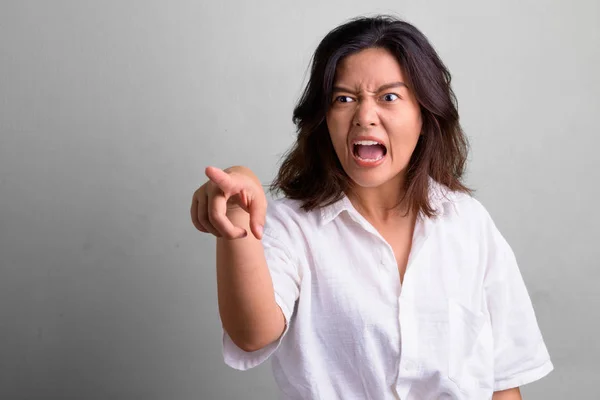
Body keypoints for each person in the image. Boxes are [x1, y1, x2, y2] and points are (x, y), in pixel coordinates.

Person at [190, 15, 553, 400]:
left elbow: (503, 380)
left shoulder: (468, 223)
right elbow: (251, 333)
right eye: (344, 99)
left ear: (424, 115)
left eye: (389, 97)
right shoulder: (292, 226)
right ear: (323, 118)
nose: (364, 116)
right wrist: (238, 216)